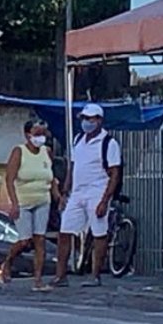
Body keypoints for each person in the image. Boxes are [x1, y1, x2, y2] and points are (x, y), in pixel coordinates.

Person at [53, 103, 122, 288]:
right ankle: (60, 275)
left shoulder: (109, 143)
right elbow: (73, 167)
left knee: (99, 233)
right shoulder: (78, 140)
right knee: (65, 231)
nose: (86, 122)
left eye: (90, 119)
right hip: (78, 191)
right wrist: (65, 192)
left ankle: (95, 275)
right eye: (84, 118)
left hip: (97, 191)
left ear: (99, 120)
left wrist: (105, 200)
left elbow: (115, 173)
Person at [2, 119, 60, 290]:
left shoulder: (47, 152)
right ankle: (8, 261)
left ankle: (38, 280)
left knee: (39, 239)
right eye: (37, 134)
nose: (40, 137)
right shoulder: (19, 152)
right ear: (28, 135)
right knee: (25, 241)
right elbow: (9, 179)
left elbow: (51, 177)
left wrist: (57, 195)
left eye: (43, 134)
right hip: (23, 201)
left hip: (43, 200)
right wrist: (14, 203)